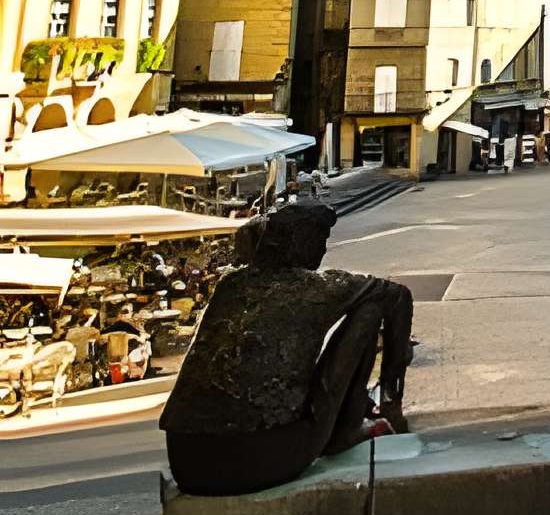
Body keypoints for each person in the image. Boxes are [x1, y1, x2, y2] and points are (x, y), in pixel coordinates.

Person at [160, 200, 413, 497]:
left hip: (187, 463)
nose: (322, 250)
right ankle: (350, 429)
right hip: (267, 459)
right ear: (303, 243)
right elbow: (398, 296)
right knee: (370, 311)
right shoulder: (320, 287)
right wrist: (393, 393)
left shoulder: (231, 284)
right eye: (320, 240)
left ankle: (348, 421)